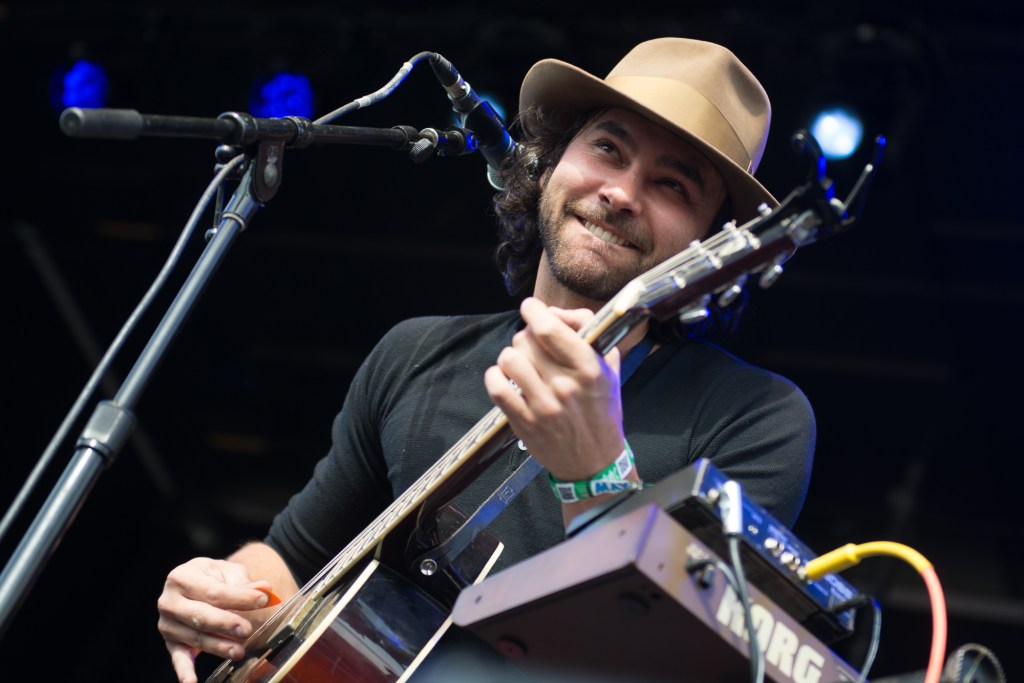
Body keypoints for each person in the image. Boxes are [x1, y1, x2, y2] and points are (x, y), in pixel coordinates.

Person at [157, 37, 816, 683]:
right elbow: (293, 563)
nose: (621, 192)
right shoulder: (415, 352)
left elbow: (671, 658)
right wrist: (228, 592)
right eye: (607, 149)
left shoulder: (755, 418)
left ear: (712, 244)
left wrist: (596, 476)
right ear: (551, 161)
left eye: (672, 183)